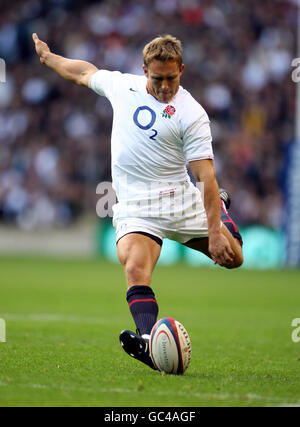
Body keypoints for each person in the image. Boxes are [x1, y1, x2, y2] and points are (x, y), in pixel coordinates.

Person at [33, 33, 243, 370]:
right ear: (143, 70)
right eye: (157, 78)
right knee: (134, 267)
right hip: (136, 206)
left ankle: (221, 209)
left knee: (235, 259)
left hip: (179, 200)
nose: (163, 86)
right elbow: (83, 73)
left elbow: (205, 175)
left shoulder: (192, 114)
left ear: (182, 70)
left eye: (171, 79)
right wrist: (49, 58)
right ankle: (149, 343)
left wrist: (216, 231)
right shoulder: (122, 86)